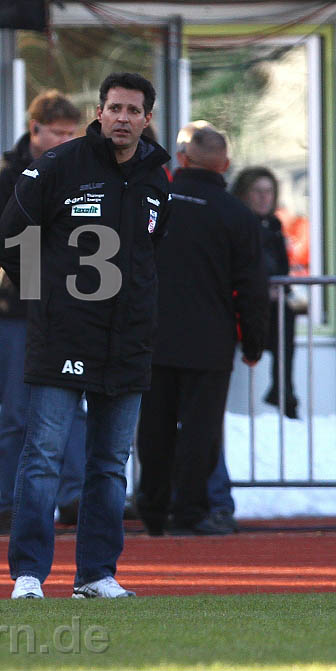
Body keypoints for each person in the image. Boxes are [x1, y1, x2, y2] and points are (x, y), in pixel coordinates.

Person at [0, 72, 170, 599]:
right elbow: (9, 237)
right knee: (44, 456)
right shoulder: (59, 165)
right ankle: (29, 574)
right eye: (114, 108)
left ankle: (96, 574)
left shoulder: (157, 177)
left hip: (128, 341)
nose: (122, 118)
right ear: (99, 112)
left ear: (147, 119)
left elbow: (153, 255)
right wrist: (47, 298)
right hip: (64, 336)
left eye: (133, 110)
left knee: (111, 464)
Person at [136, 122, 268, 537]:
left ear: (181, 159)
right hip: (210, 341)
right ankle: (188, 511)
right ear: (225, 164)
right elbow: (252, 288)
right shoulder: (237, 215)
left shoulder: (155, 202)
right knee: (201, 431)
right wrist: (254, 343)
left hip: (153, 336)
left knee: (154, 428)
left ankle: (153, 508)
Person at [0, 90, 86, 535]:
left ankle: (74, 497)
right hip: (15, 308)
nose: (66, 140)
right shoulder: (3, 177)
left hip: (66, 306)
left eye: (71, 133)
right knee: (17, 410)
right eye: (58, 132)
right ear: (34, 130)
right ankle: (12, 503)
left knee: (72, 406)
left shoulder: (81, 174)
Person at [232, 167, 299, 419]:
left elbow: (281, 267)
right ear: (244, 194)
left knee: (286, 318)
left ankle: (284, 393)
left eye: (269, 191)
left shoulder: (273, 225)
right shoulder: (239, 224)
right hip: (239, 303)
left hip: (269, 305)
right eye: (257, 191)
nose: (264, 197)